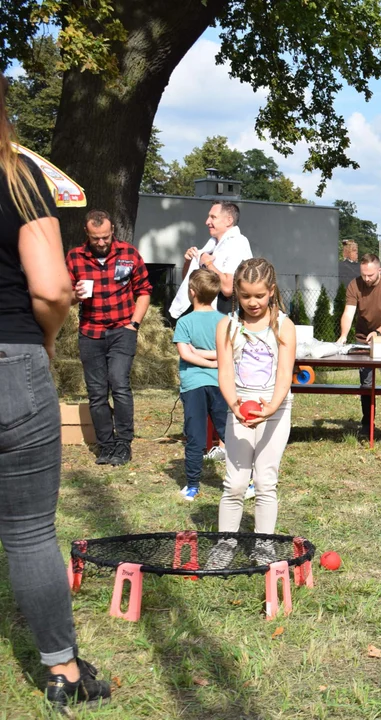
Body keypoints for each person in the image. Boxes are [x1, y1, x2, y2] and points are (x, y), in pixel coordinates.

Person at [0, 77, 112, 712]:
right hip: (10, 359)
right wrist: (39, 342)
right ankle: (62, 670)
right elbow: (51, 289)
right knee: (27, 532)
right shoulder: (18, 177)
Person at [209, 259, 296, 568]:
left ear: (271, 291)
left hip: (275, 410)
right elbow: (225, 373)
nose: (253, 302)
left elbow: (285, 375)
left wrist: (270, 408)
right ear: (237, 294)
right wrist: (235, 406)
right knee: (234, 482)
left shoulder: (284, 326)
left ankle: (264, 545)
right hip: (240, 410)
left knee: (265, 481)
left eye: (259, 295)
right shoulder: (227, 326)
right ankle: (225, 544)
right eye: (246, 296)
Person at [66, 209, 152, 466]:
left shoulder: (129, 254)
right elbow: (63, 295)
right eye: (96, 239)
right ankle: (106, 445)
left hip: (122, 330)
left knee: (119, 382)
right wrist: (75, 296)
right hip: (90, 333)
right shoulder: (74, 258)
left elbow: (144, 291)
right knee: (96, 392)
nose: (102, 243)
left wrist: (134, 324)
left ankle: (124, 442)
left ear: (112, 229)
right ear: (87, 234)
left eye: (105, 237)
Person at [336, 253, 381, 440]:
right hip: (362, 340)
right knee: (366, 384)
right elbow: (348, 313)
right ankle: (367, 424)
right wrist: (343, 336)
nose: (366, 279)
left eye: (371, 275)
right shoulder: (354, 285)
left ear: (380, 270)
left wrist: (377, 333)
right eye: (364, 275)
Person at [173, 269, 228, 501]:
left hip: (193, 384)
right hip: (222, 383)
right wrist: (217, 362)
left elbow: (186, 355)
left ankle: (193, 485)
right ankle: (245, 481)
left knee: (195, 436)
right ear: (215, 293)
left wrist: (200, 354)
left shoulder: (184, 322)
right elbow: (229, 353)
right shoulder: (225, 321)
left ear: (192, 292)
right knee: (229, 434)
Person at [170, 201, 253, 318]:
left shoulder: (237, 243)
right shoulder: (211, 246)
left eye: (213, 217)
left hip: (228, 321)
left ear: (229, 220)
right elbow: (190, 282)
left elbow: (228, 288)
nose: (207, 222)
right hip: (206, 317)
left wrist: (207, 263)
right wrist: (189, 262)